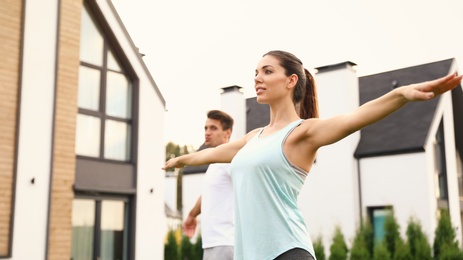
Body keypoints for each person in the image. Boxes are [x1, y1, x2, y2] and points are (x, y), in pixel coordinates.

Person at [164, 50, 462, 260]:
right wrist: (177, 161)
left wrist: (401, 94)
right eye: (256, 72)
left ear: (291, 80)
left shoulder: (302, 133)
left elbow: (354, 118)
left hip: (287, 251)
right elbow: (211, 155)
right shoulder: (253, 138)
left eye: (267, 71)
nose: (258, 77)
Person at [182, 110, 235, 260]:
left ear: (227, 133)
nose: (207, 132)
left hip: (226, 242)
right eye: (206, 128)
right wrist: (192, 215)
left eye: (213, 128)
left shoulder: (231, 161)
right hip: (212, 243)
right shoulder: (215, 164)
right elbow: (208, 195)